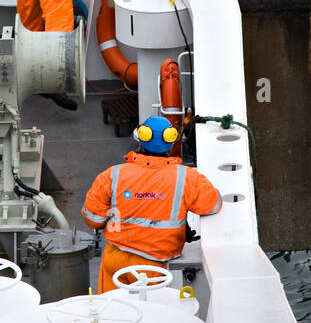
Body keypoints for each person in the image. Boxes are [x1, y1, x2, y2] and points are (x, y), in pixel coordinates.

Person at [81, 116, 223, 293]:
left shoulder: (112, 174)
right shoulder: (187, 178)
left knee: (112, 313)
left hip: (114, 260)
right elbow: (213, 204)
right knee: (149, 313)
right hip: (152, 268)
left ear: (140, 141)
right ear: (171, 144)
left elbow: (93, 219)